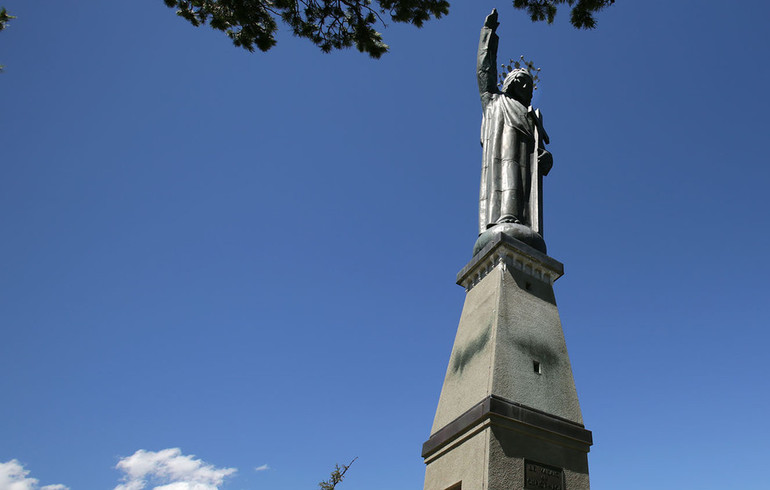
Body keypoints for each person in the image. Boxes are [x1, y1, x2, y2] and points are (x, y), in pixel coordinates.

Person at [477, 9, 553, 236]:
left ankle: (521, 221)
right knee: (507, 178)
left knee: (521, 186)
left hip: (525, 168)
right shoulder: (494, 100)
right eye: (521, 82)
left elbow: (539, 151)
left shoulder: (532, 116)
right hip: (501, 160)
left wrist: (546, 159)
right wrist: (488, 34)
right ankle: (505, 218)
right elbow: (484, 70)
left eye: (529, 85)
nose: (525, 88)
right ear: (510, 82)